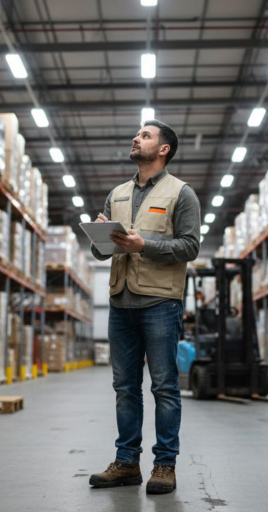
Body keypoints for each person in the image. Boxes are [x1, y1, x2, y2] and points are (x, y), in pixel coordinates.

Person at [88, 120, 201, 495]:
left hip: (160, 303)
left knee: (165, 387)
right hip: (121, 300)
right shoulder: (117, 193)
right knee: (124, 387)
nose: (136, 138)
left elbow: (189, 247)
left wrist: (144, 245)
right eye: (137, 135)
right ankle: (126, 463)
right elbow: (100, 253)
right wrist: (102, 236)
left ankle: (164, 465)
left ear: (164, 148)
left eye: (146, 135)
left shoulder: (181, 193)